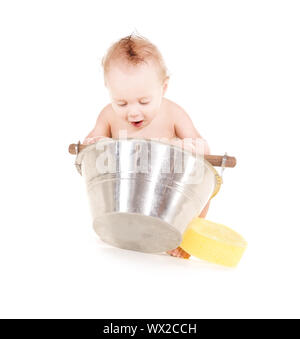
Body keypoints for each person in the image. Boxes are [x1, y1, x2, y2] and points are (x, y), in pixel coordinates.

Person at [83, 33, 210, 258]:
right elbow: (88, 149)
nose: (133, 112)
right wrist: (96, 142)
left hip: (168, 198)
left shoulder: (173, 113)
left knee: (199, 184)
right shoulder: (108, 115)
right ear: (108, 89)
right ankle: (117, 227)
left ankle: (185, 238)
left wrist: (189, 146)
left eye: (144, 101)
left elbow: (203, 151)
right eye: (121, 102)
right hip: (124, 199)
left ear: (164, 87)